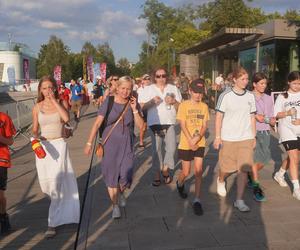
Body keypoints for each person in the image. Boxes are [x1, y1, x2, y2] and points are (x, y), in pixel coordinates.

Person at [84, 76, 144, 219]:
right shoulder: (109, 102)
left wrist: (135, 110)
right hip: (109, 144)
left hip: (127, 144)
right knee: (111, 176)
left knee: (126, 174)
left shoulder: (133, 104)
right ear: (117, 88)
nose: (125, 91)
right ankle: (115, 205)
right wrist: (89, 143)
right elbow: (97, 123)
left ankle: (121, 192)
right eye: (123, 88)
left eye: (129, 89)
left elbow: (141, 126)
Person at [32, 76, 80, 238]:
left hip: (59, 146)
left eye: (50, 87)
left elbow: (66, 119)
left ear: (55, 88)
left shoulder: (61, 103)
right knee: (47, 187)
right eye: (44, 88)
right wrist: (35, 139)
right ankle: (62, 214)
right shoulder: (37, 107)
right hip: (43, 149)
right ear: (40, 90)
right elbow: (34, 129)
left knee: (56, 185)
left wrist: (54, 101)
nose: (47, 91)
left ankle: (52, 223)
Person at [214, 67, 256, 212]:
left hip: (246, 137)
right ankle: (220, 180)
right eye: (242, 79)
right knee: (226, 168)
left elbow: (252, 117)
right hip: (229, 138)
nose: (246, 81)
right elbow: (218, 117)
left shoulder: (250, 96)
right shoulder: (225, 96)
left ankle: (239, 200)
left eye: (247, 79)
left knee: (243, 169)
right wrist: (217, 137)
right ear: (234, 80)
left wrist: (253, 135)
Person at [139, 68, 182, 186]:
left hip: (169, 122)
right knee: (156, 151)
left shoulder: (173, 88)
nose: (161, 78)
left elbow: (181, 107)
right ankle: (157, 174)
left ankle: (165, 169)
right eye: (158, 76)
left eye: (163, 76)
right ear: (154, 77)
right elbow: (142, 106)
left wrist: (174, 102)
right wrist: (151, 102)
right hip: (154, 123)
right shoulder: (149, 89)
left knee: (172, 148)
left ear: (166, 76)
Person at [176, 78, 209, 216]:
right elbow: (182, 124)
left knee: (198, 171)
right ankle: (180, 182)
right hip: (185, 143)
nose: (198, 95)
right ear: (190, 91)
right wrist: (190, 140)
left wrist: (198, 138)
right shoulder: (183, 105)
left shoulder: (204, 106)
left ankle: (197, 200)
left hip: (199, 143)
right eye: (196, 92)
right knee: (186, 171)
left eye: (200, 92)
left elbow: (204, 125)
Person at [248, 72, 276, 202]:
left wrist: (270, 120)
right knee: (255, 159)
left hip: (265, 132)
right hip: (252, 132)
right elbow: (251, 116)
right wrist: (258, 117)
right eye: (261, 83)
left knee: (264, 160)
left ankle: (249, 173)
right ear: (254, 84)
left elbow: (270, 117)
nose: (264, 86)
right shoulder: (248, 97)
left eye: (265, 83)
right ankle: (256, 187)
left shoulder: (269, 98)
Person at [273, 71, 300, 200]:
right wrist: (288, 113)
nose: (297, 86)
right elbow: (276, 114)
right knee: (294, 157)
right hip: (286, 129)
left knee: (295, 158)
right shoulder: (283, 97)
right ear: (288, 82)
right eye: (294, 83)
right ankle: (296, 187)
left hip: (299, 129)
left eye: (299, 83)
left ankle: (280, 174)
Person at [0, 112, 16, 235]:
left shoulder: (4, 118)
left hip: (1, 159)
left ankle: (3, 216)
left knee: (0, 195)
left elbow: (10, 141)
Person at [137, 74, 151, 148]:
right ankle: (141, 142)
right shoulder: (140, 89)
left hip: (151, 109)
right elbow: (139, 102)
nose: (147, 80)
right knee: (143, 127)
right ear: (143, 80)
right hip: (143, 109)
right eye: (146, 79)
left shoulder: (153, 88)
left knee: (153, 126)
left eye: (149, 79)